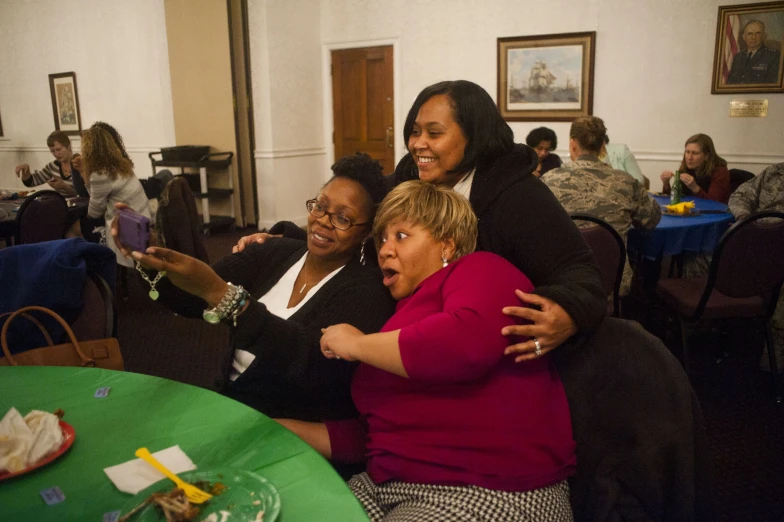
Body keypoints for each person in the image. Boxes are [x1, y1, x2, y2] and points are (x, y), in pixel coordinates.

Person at [235, 80, 605, 360]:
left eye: (434, 133)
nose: (417, 144)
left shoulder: (519, 195)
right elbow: (352, 221)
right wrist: (286, 242)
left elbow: (582, 275)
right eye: (415, 131)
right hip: (407, 328)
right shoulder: (410, 176)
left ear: (473, 136)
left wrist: (569, 313)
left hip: (483, 348)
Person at [279, 181, 576, 521]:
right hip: (385, 484)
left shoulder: (481, 268)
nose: (386, 250)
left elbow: (464, 346)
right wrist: (281, 430)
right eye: (382, 238)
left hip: (491, 488)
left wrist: (357, 344)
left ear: (447, 244)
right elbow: (376, 436)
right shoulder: (399, 318)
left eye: (401, 236)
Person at [115, 153, 396, 422]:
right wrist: (150, 259)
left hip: (290, 427)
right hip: (229, 404)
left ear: (366, 230)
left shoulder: (368, 290)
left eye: (343, 218)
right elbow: (191, 299)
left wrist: (223, 296)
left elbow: (310, 362)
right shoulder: (274, 251)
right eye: (320, 206)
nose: (323, 220)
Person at [544, 116, 661, 296]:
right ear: (602, 147)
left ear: (572, 144)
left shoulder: (549, 180)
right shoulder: (626, 182)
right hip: (612, 282)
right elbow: (651, 220)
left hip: (561, 281)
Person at [728, 162, 784, 371]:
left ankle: (772, 365)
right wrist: (744, 218)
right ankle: (709, 337)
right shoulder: (775, 172)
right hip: (756, 244)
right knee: (705, 256)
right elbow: (741, 194)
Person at [81, 124, 151, 266]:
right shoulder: (122, 165)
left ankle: (99, 272)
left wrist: (84, 175)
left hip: (128, 228)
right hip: (144, 218)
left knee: (80, 228)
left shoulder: (100, 174)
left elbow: (94, 212)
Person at [661, 133, 731, 203]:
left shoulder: (720, 171)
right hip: (690, 211)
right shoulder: (686, 167)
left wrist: (695, 188)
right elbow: (676, 198)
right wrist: (666, 184)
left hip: (715, 212)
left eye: (695, 153)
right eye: (687, 152)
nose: (689, 157)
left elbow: (713, 203)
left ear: (706, 156)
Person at [15, 130, 87, 197]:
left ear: (68, 146)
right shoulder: (53, 166)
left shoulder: (79, 164)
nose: (56, 154)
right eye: (52, 151)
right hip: (62, 205)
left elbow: (85, 194)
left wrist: (65, 187)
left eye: (59, 149)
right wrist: (26, 171)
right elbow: (32, 182)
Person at [726, 20, 781, 85]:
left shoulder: (774, 56)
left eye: (758, 33)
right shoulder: (738, 57)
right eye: (749, 33)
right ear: (744, 37)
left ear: (763, 36)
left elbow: (773, 84)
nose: (753, 37)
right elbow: (731, 82)